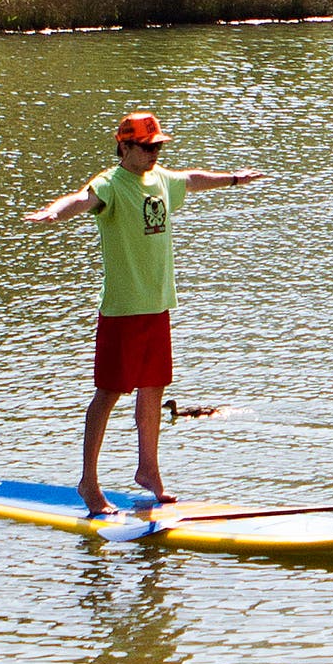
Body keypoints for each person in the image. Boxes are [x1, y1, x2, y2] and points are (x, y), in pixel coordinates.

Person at [24, 112, 266, 516]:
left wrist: (234, 179)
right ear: (124, 147)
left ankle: (148, 470)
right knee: (108, 394)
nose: (155, 153)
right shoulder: (111, 184)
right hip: (123, 311)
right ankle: (88, 483)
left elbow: (191, 179)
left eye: (158, 146)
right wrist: (55, 212)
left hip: (157, 305)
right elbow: (82, 199)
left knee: (154, 387)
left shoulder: (160, 178)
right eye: (147, 147)